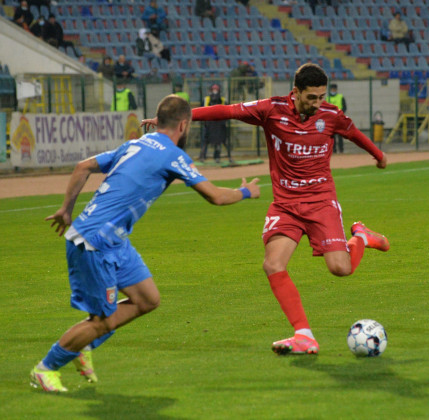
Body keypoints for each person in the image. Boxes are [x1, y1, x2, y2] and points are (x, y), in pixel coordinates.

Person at [143, 63, 390, 355]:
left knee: (340, 269)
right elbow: (228, 110)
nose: (318, 103)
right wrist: (181, 118)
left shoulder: (330, 115)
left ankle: (360, 236)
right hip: (286, 204)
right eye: (312, 97)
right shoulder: (270, 109)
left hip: (321, 200)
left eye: (321, 96)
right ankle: (304, 335)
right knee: (273, 264)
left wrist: (379, 155)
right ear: (296, 92)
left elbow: (354, 133)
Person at [30, 95, 261, 392]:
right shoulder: (172, 155)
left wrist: (65, 209)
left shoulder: (136, 143)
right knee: (101, 320)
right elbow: (215, 196)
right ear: (184, 125)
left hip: (113, 239)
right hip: (94, 242)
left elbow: (81, 167)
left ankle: (83, 343)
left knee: (148, 299)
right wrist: (245, 193)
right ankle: (45, 368)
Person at [199, 84, 229, 163]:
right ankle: (202, 157)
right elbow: (201, 110)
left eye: (216, 89)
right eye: (213, 89)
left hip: (219, 124)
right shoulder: (206, 99)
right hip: (208, 124)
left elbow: (227, 112)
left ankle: (217, 157)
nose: (215, 91)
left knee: (219, 141)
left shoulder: (223, 100)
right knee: (205, 141)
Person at [326, 84, 347, 153]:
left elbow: (344, 107)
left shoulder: (340, 97)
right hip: (331, 120)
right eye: (332, 89)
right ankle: (334, 150)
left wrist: (340, 114)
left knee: (340, 135)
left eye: (334, 89)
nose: (333, 90)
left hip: (339, 119)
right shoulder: (327, 98)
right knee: (332, 136)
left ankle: (341, 150)